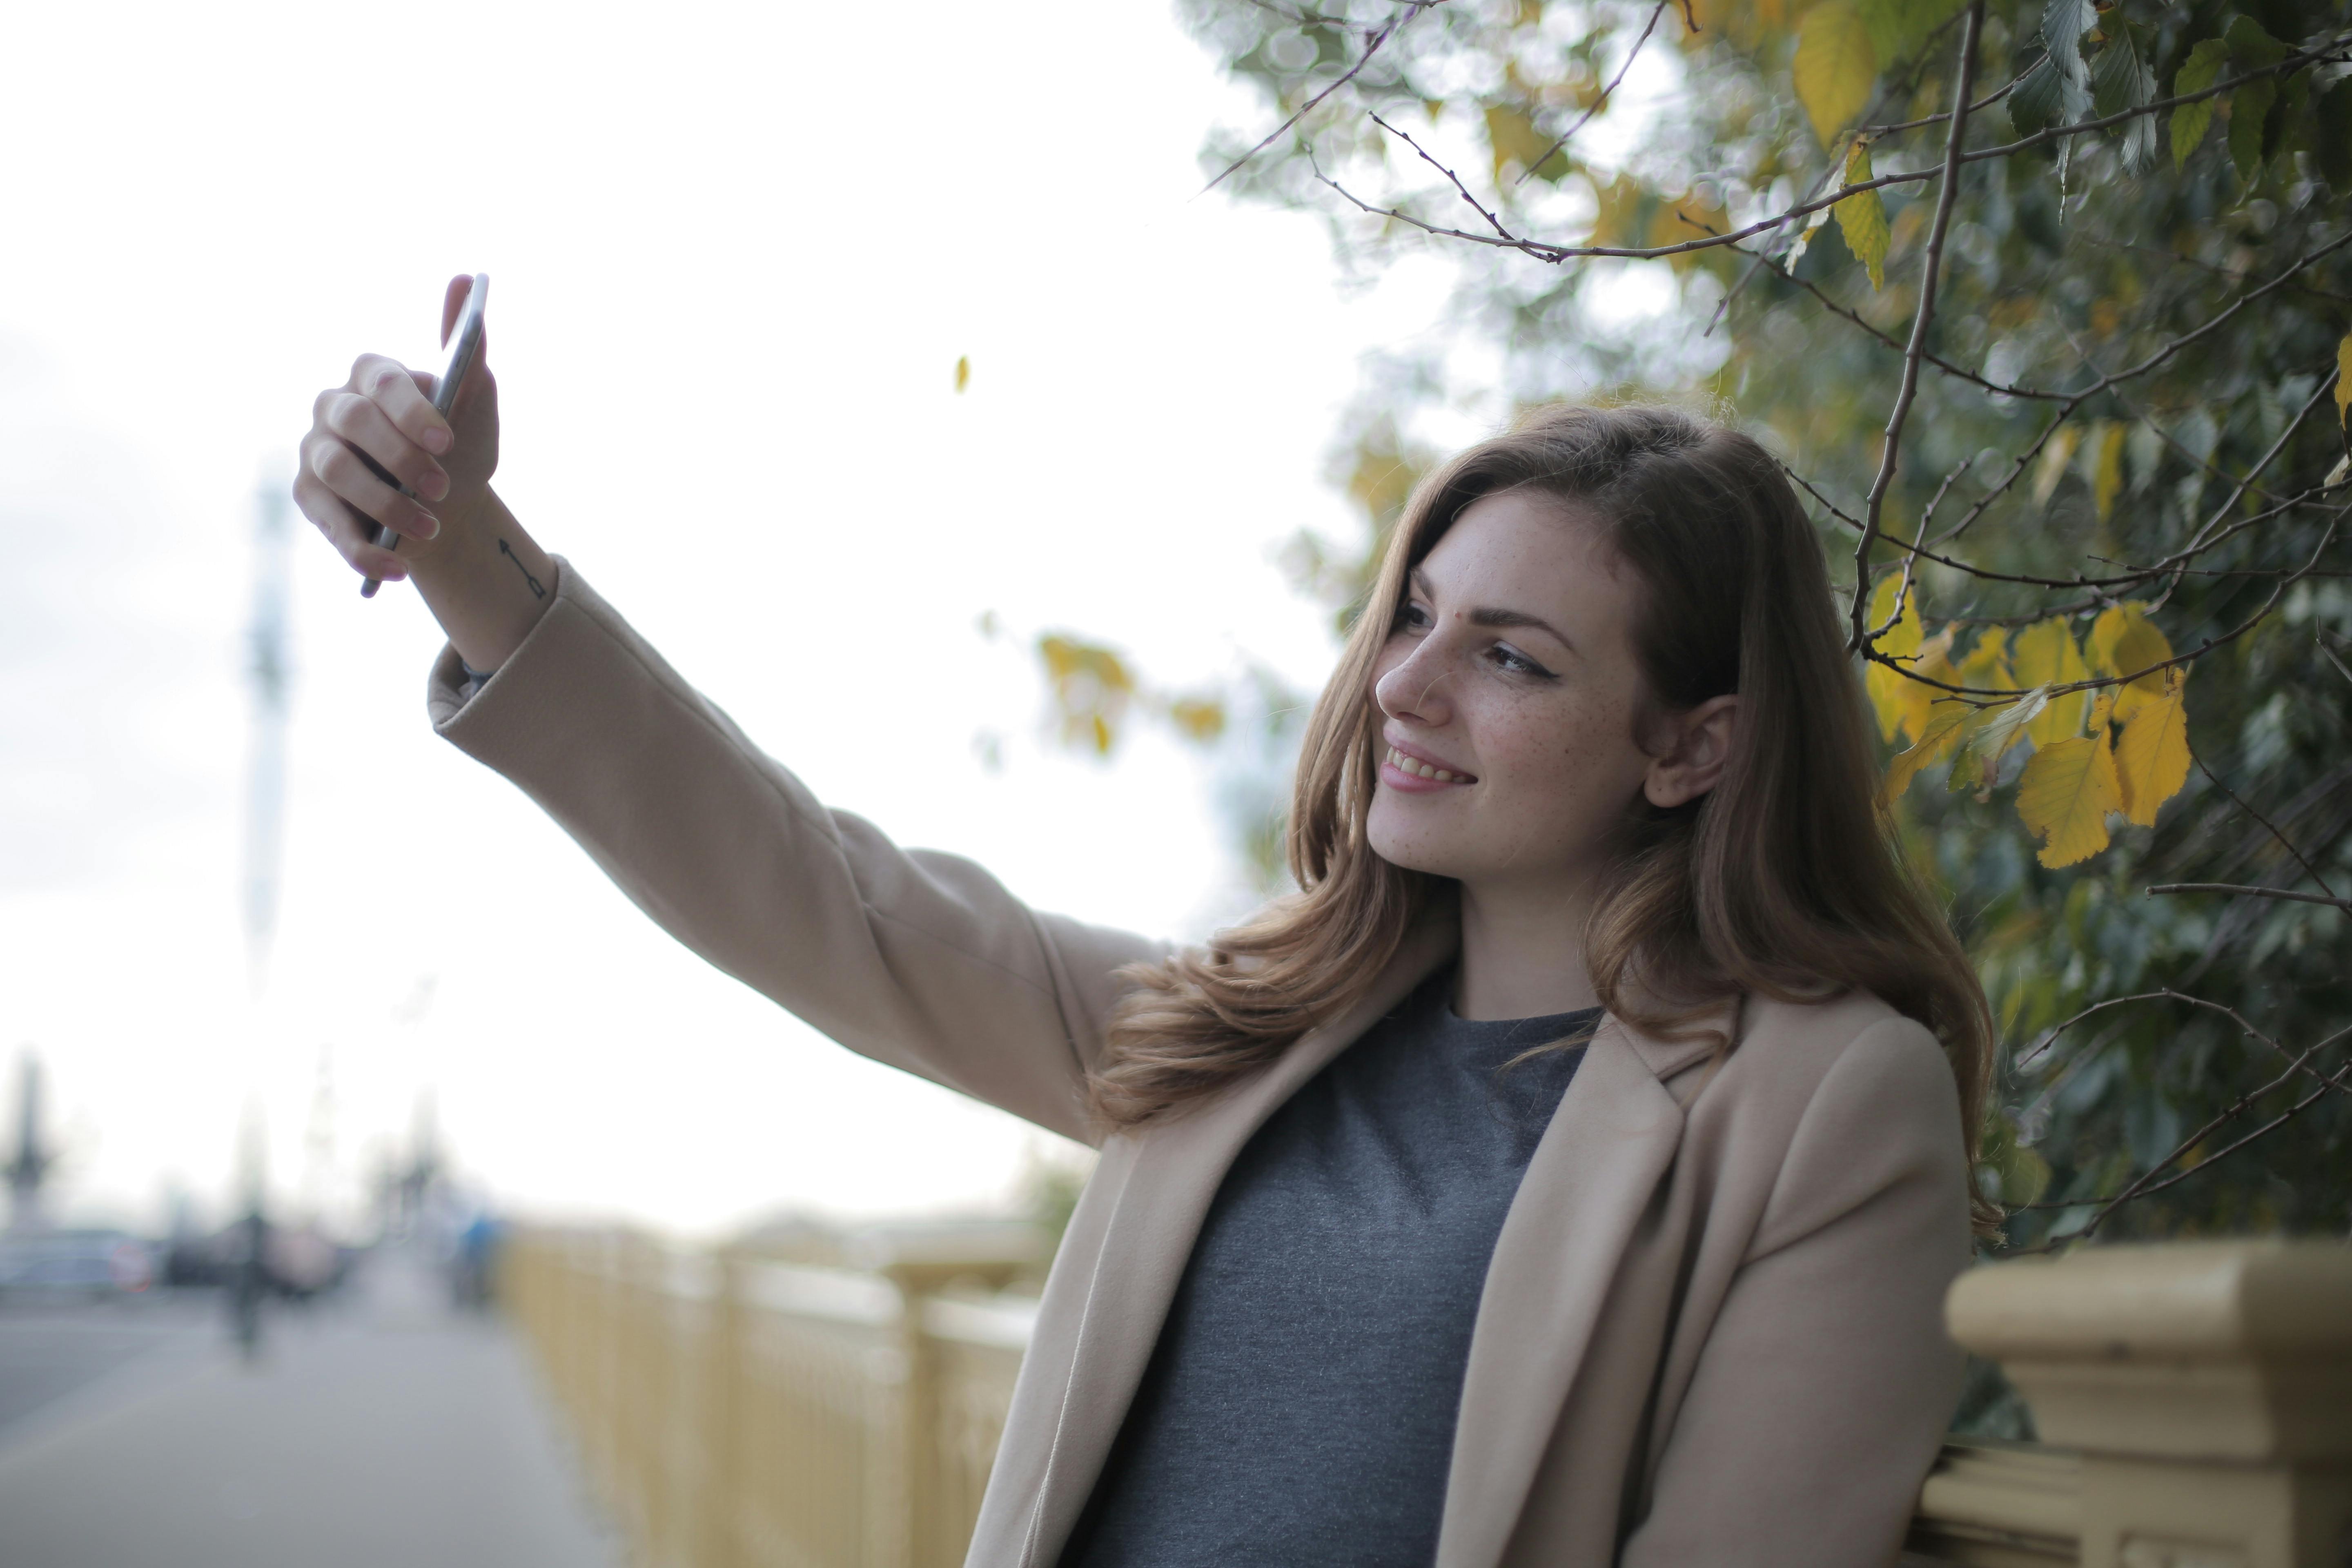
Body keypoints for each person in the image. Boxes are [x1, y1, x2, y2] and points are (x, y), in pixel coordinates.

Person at [295, 277, 1989, 1568]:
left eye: (1513, 657)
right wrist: (465, 552)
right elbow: (819, 897)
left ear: (1696, 744)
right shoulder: (1247, 1023)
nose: (1405, 685)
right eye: (1417, 616)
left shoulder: (1827, 1105)